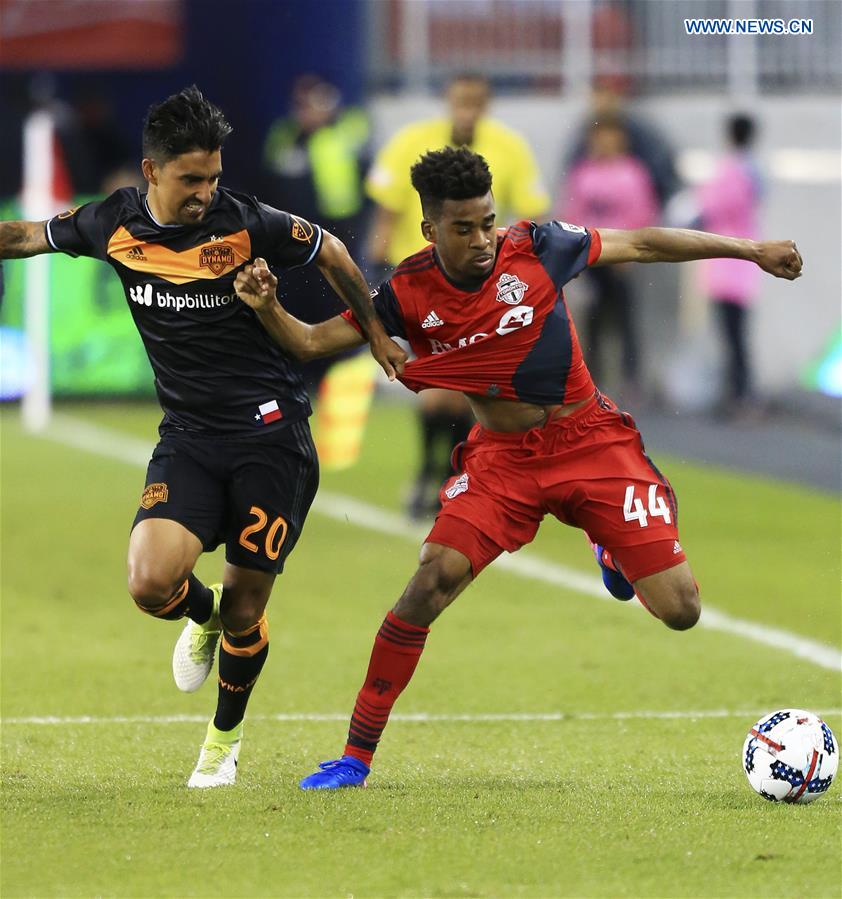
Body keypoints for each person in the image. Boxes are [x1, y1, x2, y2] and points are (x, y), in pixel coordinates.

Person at [232, 146, 802, 790]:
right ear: (429, 229)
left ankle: (611, 550)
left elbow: (642, 243)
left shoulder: (538, 246)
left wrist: (749, 249)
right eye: (464, 228)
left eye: (488, 222)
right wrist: (267, 306)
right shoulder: (407, 294)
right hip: (504, 462)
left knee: (681, 610)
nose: (482, 239)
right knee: (429, 583)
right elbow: (309, 341)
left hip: (591, 443)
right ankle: (355, 757)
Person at [0, 85, 405, 788]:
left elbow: (333, 250)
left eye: (213, 177)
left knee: (251, 607)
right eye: (191, 179)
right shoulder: (113, 223)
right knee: (150, 583)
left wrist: (373, 331)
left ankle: (222, 743)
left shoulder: (245, 223)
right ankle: (203, 612)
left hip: (271, 438)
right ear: (151, 171)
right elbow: (27, 235)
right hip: (188, 435)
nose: (205, 193)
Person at [366, 73, 550, 518]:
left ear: (485, 105)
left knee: (461, 388)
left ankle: (443, 476)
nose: (467, 110)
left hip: (479, 285)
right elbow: (388, 208)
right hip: (417, 283)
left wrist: (525, 271)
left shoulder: (509, 148)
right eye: (460, 101)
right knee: (440, 389)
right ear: (448, 100)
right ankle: (438, 473)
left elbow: (531, 215)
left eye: (475, 102)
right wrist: (376, 261)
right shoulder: (413, 142)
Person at [262, 74, 376, 468]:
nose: (308, 112)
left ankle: (342, 414)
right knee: (294, 317)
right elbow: (273, 178)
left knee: (340, 317)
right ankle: (296, 404)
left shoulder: (349, 127)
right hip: (293, 241)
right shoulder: (285, 135)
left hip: (338, 236)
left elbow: (363, 175)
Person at [558, 117, 659, 401]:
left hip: (622, 258)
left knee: (626, 319)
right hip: (592, 257)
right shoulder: (583, 173)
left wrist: (629, 251)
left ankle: (631, 379)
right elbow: (572, 214)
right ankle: (592, 379)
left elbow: (643, 213)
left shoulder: (632, 173)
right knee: (592, 320)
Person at [696, 113, 764, 419]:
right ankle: (739, 394)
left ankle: (739, 396)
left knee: (731, 336)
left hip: (726, 263)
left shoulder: (729, 171)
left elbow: (709, 210)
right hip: (743, 265)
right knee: (736, 335)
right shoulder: (754, 171)